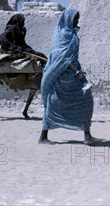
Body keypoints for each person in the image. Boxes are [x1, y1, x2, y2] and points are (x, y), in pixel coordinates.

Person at [38, 8, 100, 145]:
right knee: (52, 105)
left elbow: (71, 57)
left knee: (86, 101)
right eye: (75, 19)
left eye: (77, 19)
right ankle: (43, 136)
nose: (77, 21)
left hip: (74, 77)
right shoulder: (60, 36)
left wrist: (78, 71)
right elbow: (61, 58)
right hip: (61, 77)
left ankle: (87, 135)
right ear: (68, 19)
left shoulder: (72, 34)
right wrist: (77, 72)